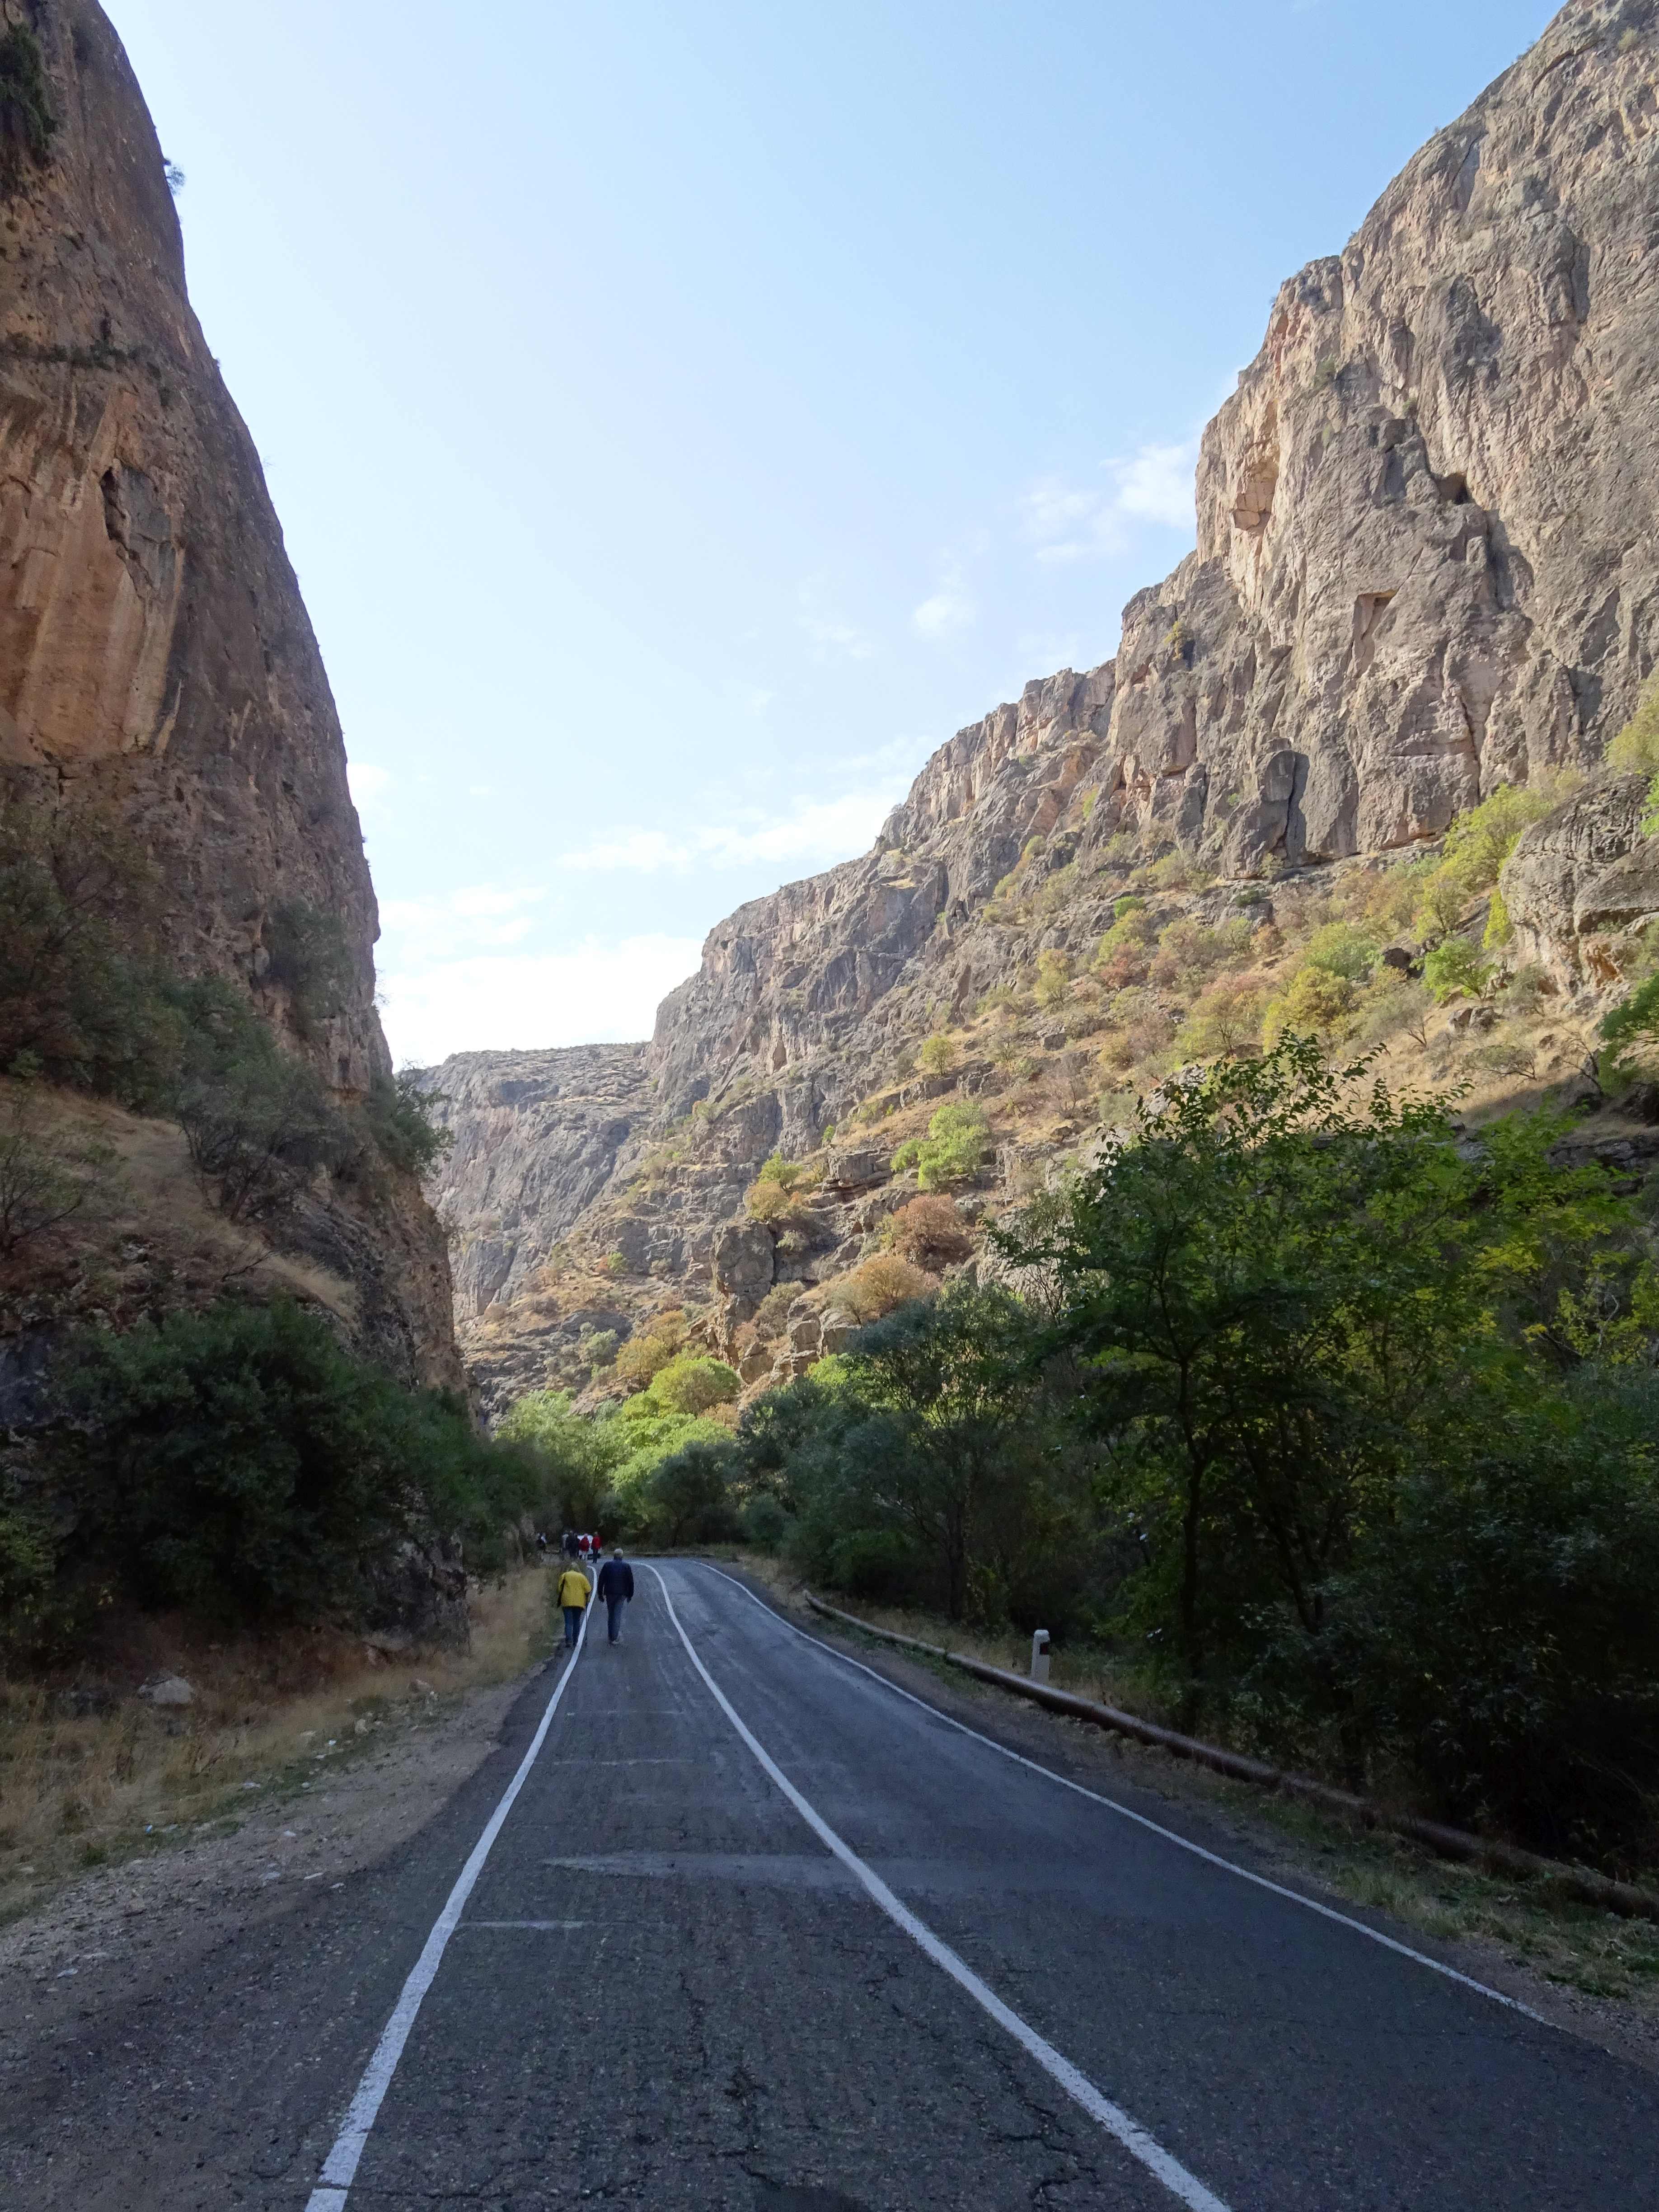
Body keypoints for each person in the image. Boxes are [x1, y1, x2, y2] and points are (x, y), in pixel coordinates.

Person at [595, 1546, 634, 1645]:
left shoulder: (608, 1565)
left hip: (610, 1593)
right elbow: (631, 1582)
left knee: (611, 1614)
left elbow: (601, 1580)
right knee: (617, 1614)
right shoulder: (626, 1566)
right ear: (622, 1556)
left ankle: (610, 1635)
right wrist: (630, 1595)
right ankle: (615, 1637)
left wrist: (600, 1593)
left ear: (614, 1555)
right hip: (622, 1594)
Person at [556, 1557, 591, 1650]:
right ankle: (576, 1641)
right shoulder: (582, 1577)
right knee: (577, 1621)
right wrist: (587, 1601)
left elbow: (560, 1589)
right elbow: (588, 1590)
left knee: (568, 1622)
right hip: (579, 1603)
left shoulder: (565, 1575)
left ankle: (569, 1641)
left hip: (567, 1601)